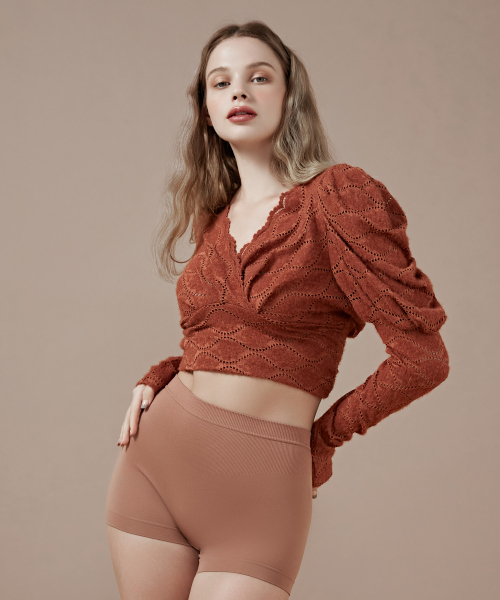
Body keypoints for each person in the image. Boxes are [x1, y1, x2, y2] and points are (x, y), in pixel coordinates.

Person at [105, 20, 450, 600]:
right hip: (153, 469)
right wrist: (164, 372)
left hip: (262, 489)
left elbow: (424, 358)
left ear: (291, 95)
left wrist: (323, 438)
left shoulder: (338, 197)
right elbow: (222, 341)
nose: (238, 91)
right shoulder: (214, 215)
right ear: (206, 110)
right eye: (221, 82)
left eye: (259, 77)